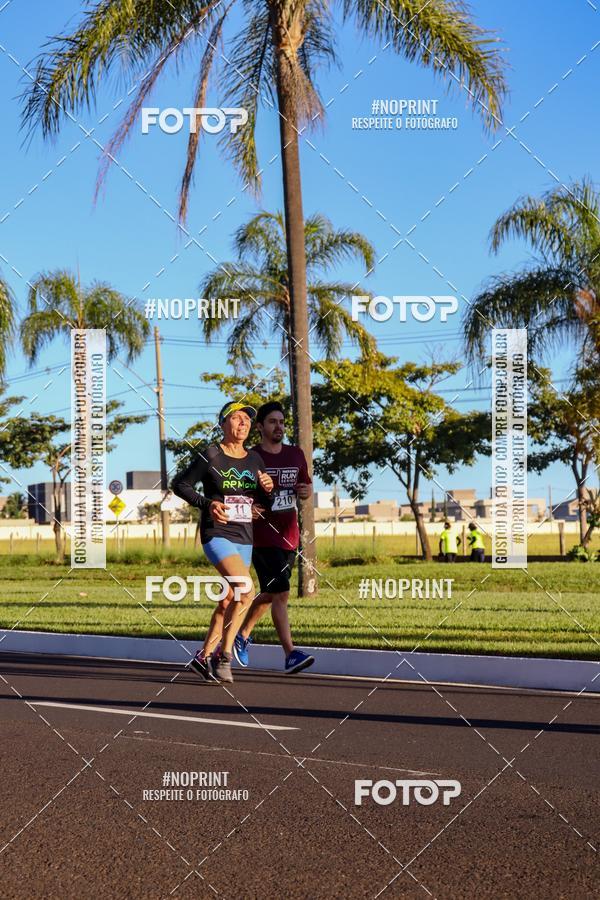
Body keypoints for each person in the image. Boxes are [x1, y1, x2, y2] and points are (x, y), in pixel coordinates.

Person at [171, 401, 273, 683]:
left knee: (229, 599)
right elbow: (180, 484)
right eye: (237, 418)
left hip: (244, 536)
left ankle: (203, 656)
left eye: (248, 420)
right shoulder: (211, 455)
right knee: (246, 589)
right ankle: (223, 656)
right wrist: (208, 504)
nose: (244, 423)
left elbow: (263, 504)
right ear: (223, 424)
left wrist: (268, 490)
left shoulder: (255, 460)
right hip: (216, 533)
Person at [233, 401, 315, 674]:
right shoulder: (250, 457)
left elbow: (305, 489)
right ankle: (290, 654)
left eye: (281, 422)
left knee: (271, 593)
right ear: (260, 427)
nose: (278, 427)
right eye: (272, 422)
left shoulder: (295, 455)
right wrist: (248, 508)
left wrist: (304, 493)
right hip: (260, 537)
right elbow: (232, 494)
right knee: (281, 591)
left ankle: (242, 634)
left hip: (289, 536)